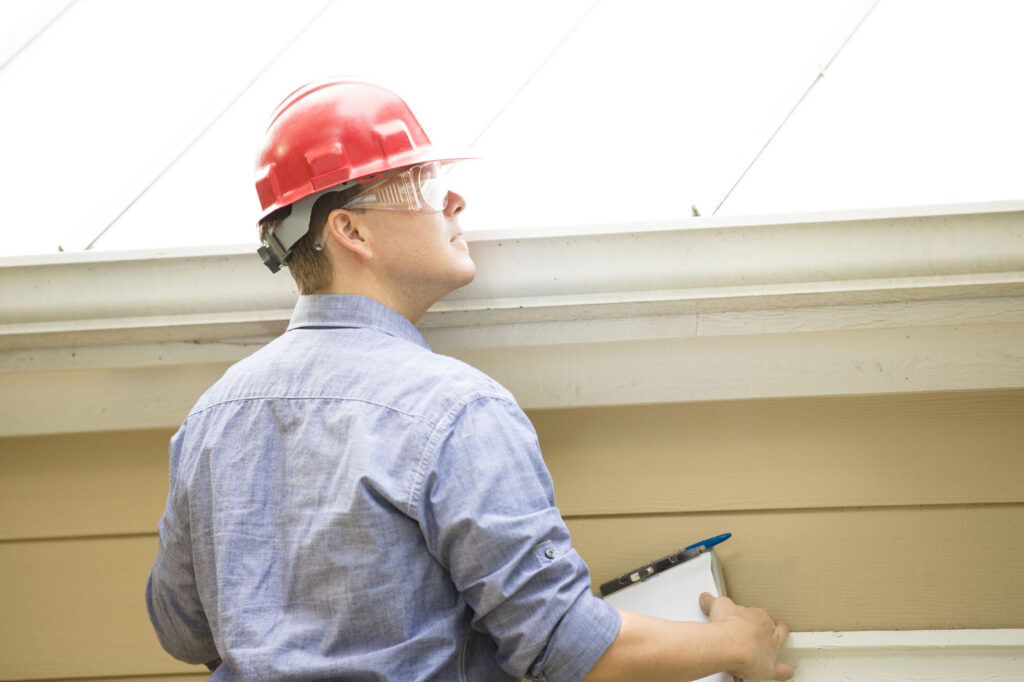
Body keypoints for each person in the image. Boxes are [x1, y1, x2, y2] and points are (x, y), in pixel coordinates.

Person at [146, 77, 793, 682]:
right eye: (422, 184)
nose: (455, 199)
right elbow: (563, 645)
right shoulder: (453, 409)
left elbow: (181, 629)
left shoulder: (210, 418)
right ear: (349, 230)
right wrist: (739, 642)